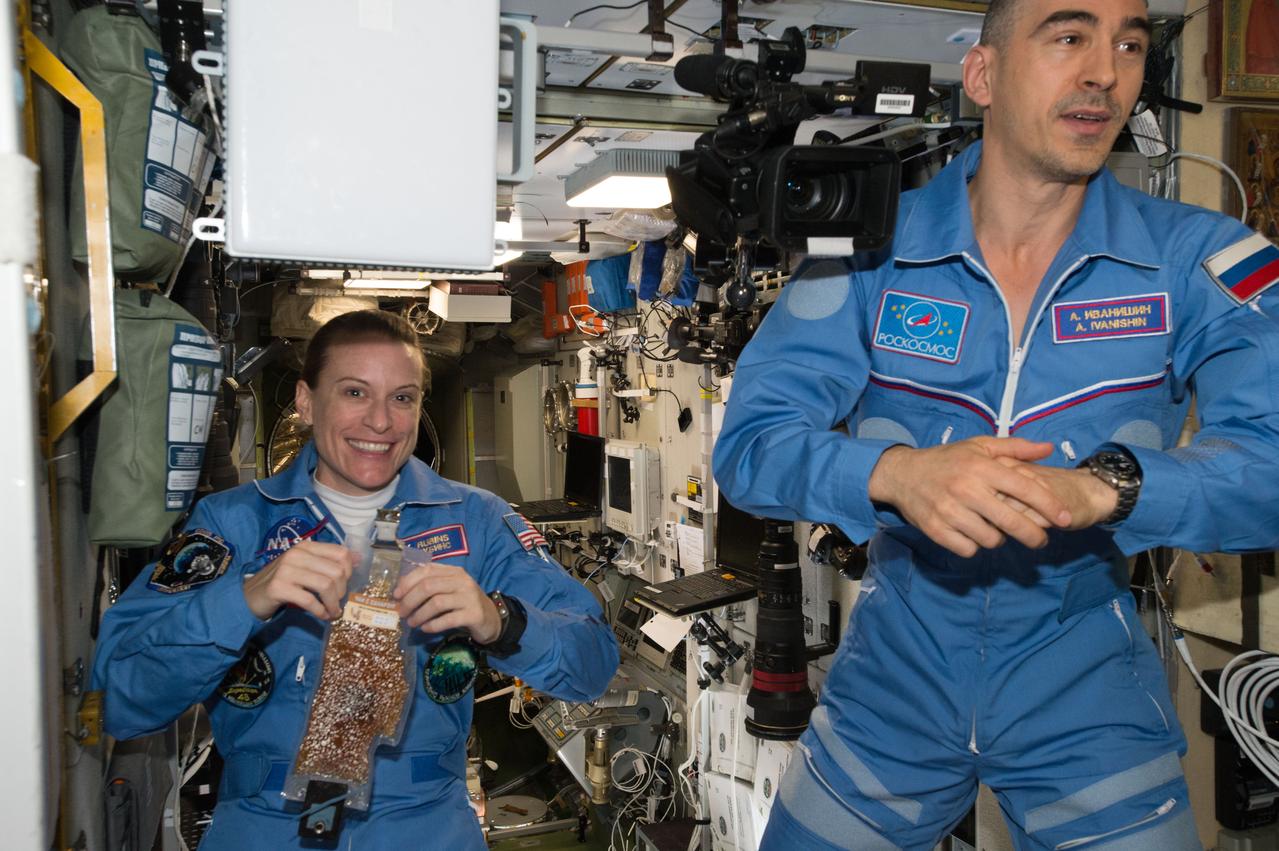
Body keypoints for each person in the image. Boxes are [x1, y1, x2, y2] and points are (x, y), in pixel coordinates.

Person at [714, 1, 1279, 849]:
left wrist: (1112, 486)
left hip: (1085, 693)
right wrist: (895, 474)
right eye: (1068, 36)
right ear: (982, 75)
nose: (1103, 70)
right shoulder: (864, 250)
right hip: (891, 689)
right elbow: (750, 446)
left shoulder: (1202, 259)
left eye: (1128, 44)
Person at [91, 310, 620, 849]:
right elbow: (122, 699)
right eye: (354, 392)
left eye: (402, 397)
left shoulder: (476, 521)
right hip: (264, 824)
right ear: (304, 400)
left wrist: (499, 620)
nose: (381, 422)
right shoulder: (233, 523)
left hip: (424, 825)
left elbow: (593, 665)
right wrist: (245, 600)